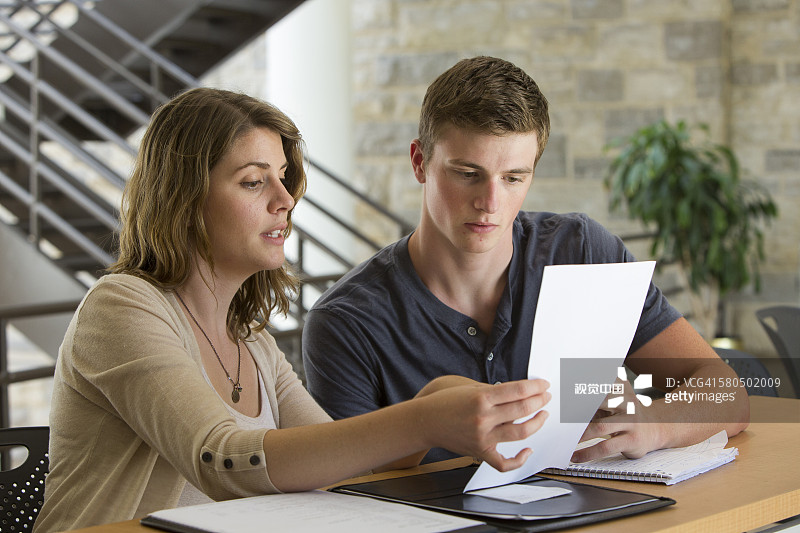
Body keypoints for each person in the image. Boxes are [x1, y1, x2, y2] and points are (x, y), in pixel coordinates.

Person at [34, 87, 552, 533]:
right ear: (183, 199)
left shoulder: (251, 341)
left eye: (283, 177)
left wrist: (433, 402)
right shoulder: (121, 306)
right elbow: (224, 461)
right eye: (254, 181)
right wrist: (421, 421)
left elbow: (344, 472)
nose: (286, 199)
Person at [302, 56, 750, 467]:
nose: (490, 203)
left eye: (514, 178)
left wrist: (652, 424)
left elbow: (727, 393)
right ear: (420, 162)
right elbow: (348, 492)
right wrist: (426, 423)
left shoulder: (582, 253)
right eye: (467, 174)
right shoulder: (345, 323)